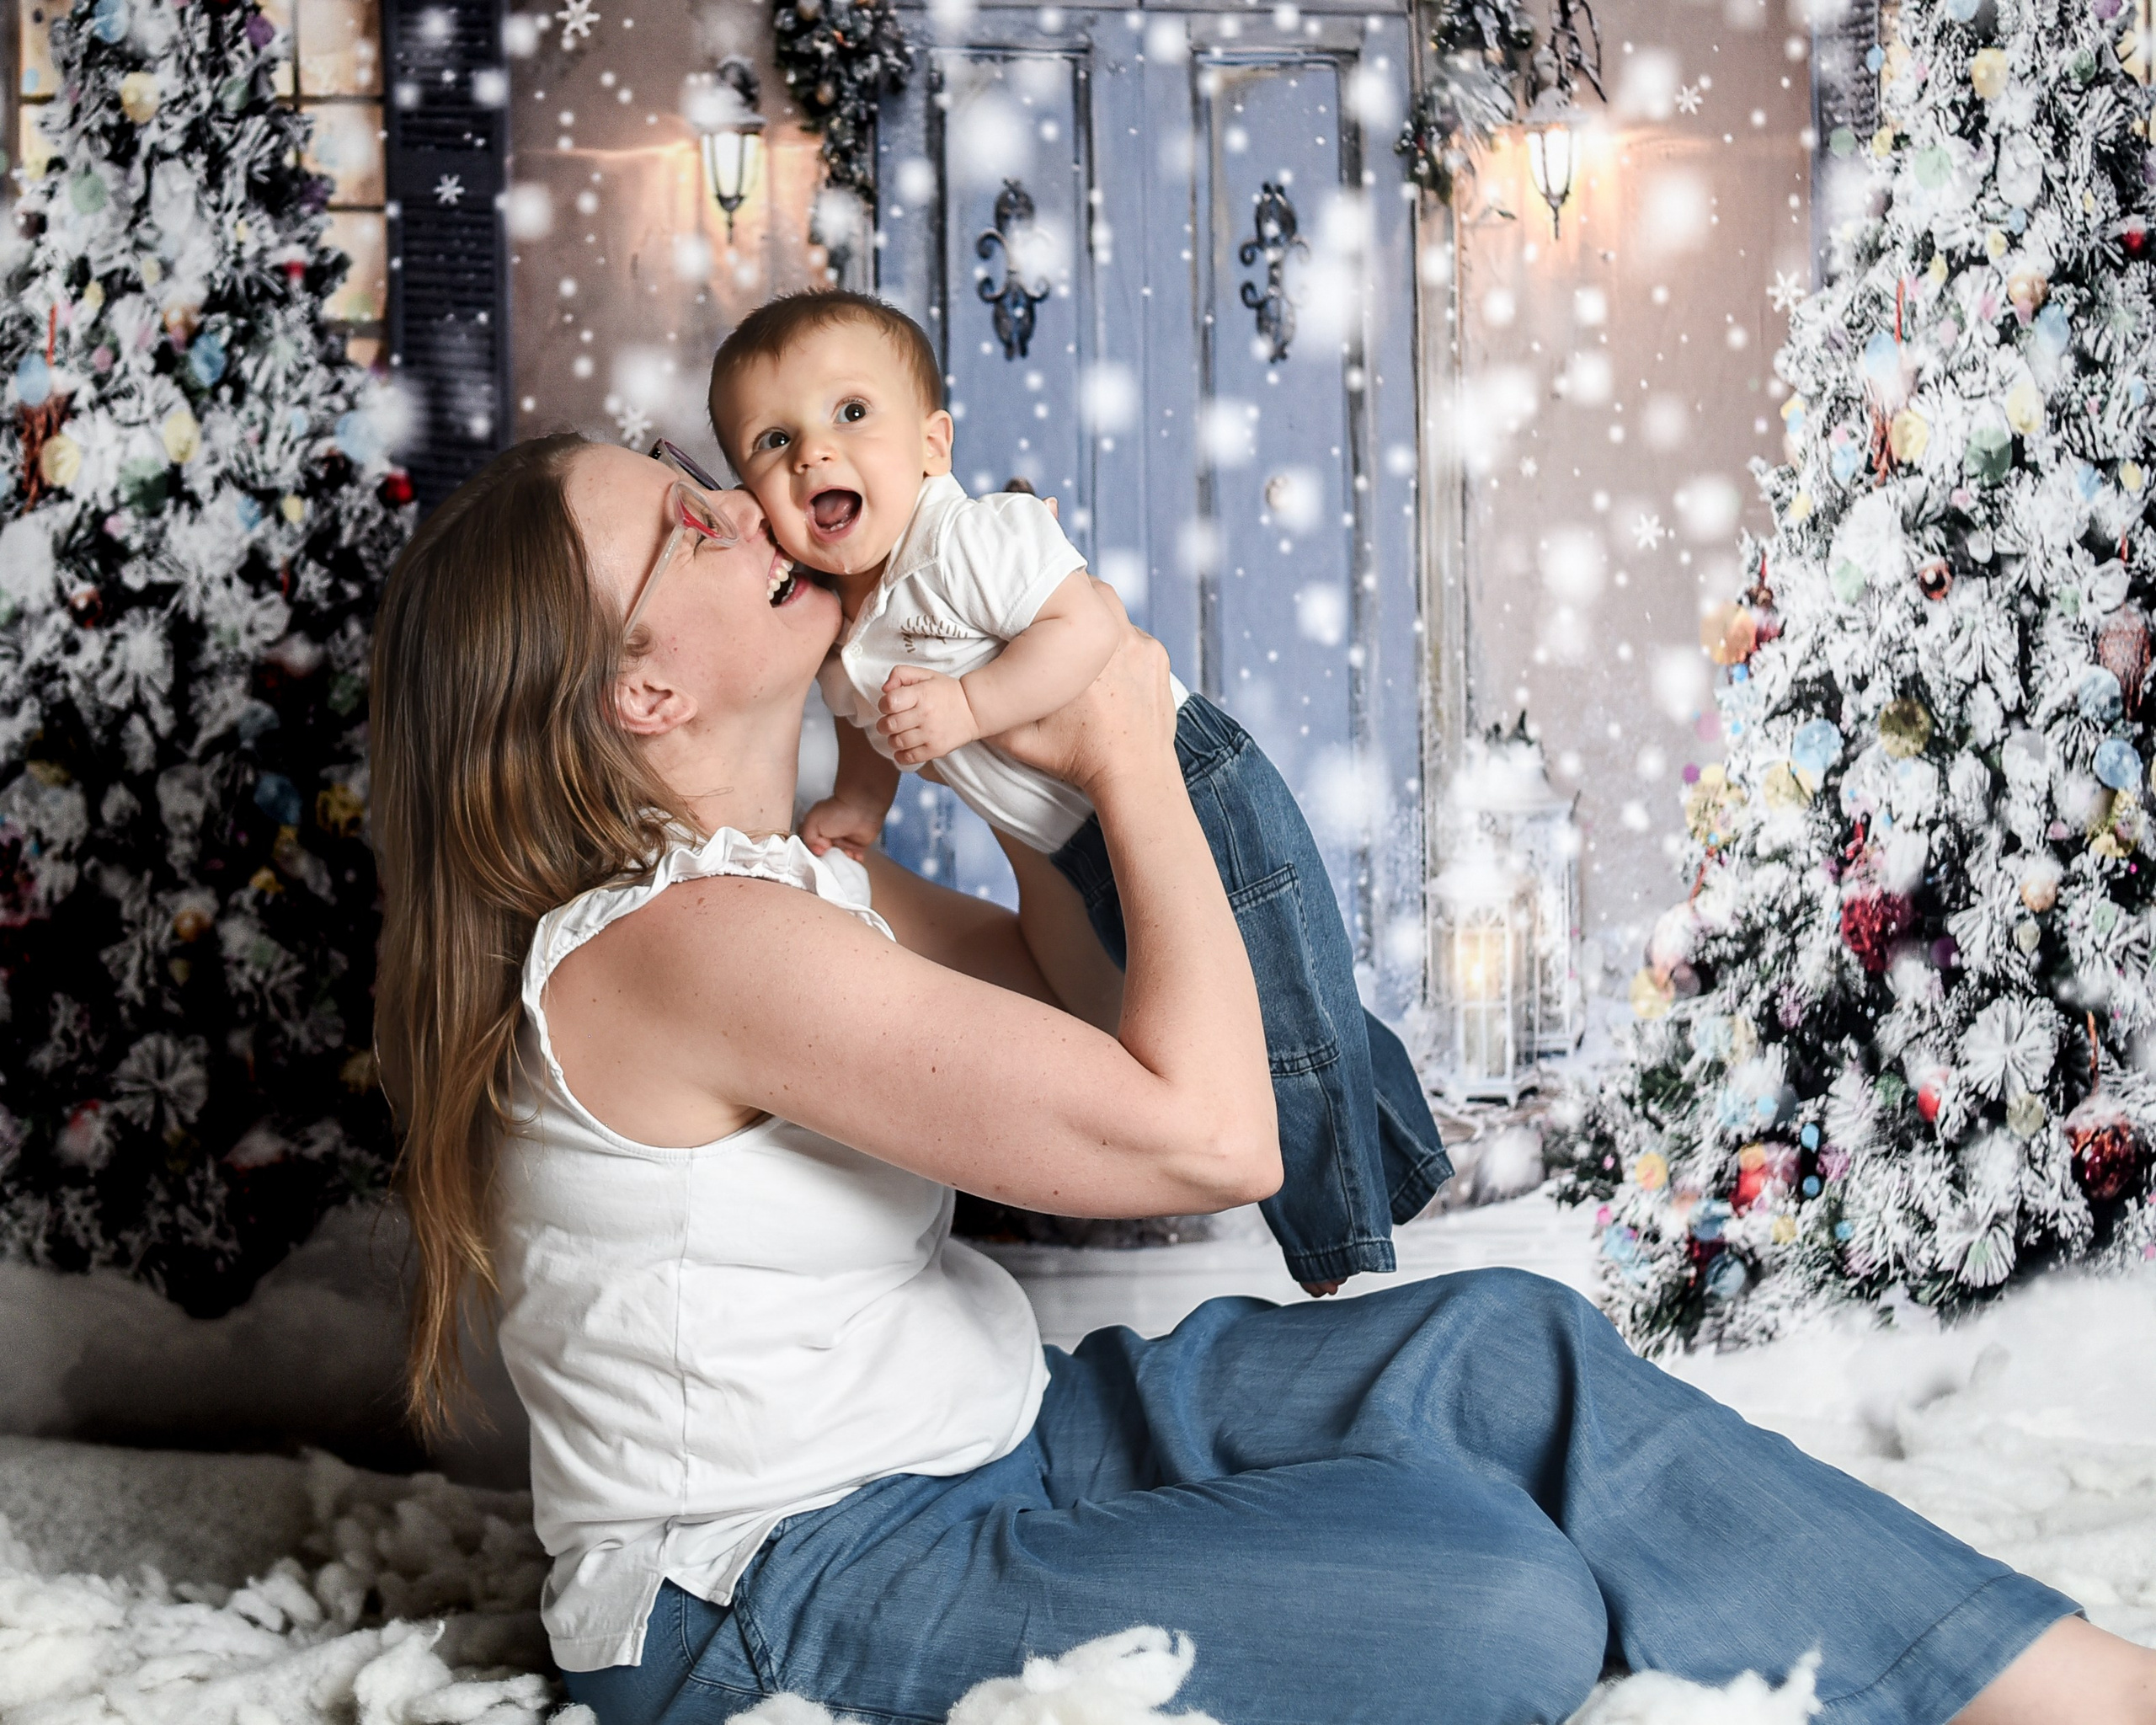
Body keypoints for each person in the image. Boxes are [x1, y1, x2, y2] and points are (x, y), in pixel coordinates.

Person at [368, 432, 2156, 1725]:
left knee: (1500, 1341)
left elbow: (1095, 998)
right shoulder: (675, 946)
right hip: (779, 1596)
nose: (729, 499)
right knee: (1490, 1597)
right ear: (637, 695)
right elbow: (1202, 1133)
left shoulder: (788, 891)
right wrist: (1132, 752)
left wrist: (1019, 770)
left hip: (991, 1440)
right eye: (676, 530)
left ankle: (2074, 1693)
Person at [706, 290, 1450, 1296]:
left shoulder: (972, 539)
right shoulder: (847, 626)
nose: (813, 457)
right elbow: (866, 722)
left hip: (1189, 784)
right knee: (1267, 1008)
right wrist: (861, 803)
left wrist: (968, 706)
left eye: (850, 415)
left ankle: (1342, 1258)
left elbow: (1086, 630)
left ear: (932, 443)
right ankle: (1404, 1157)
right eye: (772, 439)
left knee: (1289, 1006)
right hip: (1080, 838)